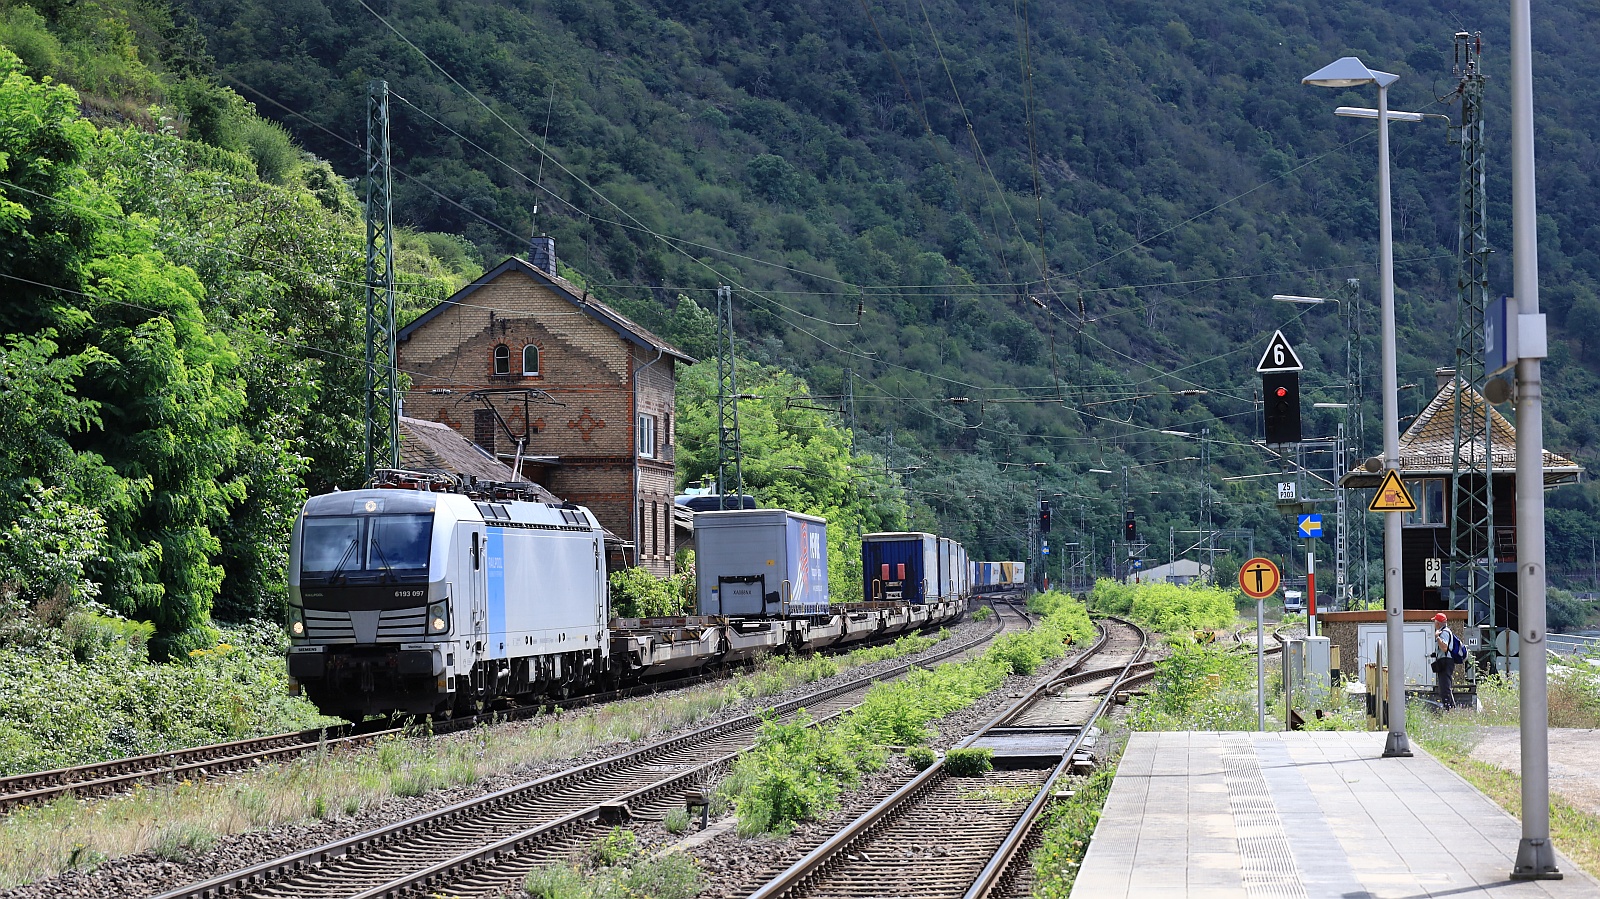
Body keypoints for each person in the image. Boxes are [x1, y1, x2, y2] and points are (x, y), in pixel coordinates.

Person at [1432, 612, 1463, 709]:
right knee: (1443, 687)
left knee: (1445, 687)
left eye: (1434, 622)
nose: (1434, 624)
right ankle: (1449, 708)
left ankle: (1450, 709)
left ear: (1438, 623)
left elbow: (1444, 647)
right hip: (1444, 661)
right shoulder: (1443, 631)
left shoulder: (1444, 632)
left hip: (1446, 661)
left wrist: (1437, 637)